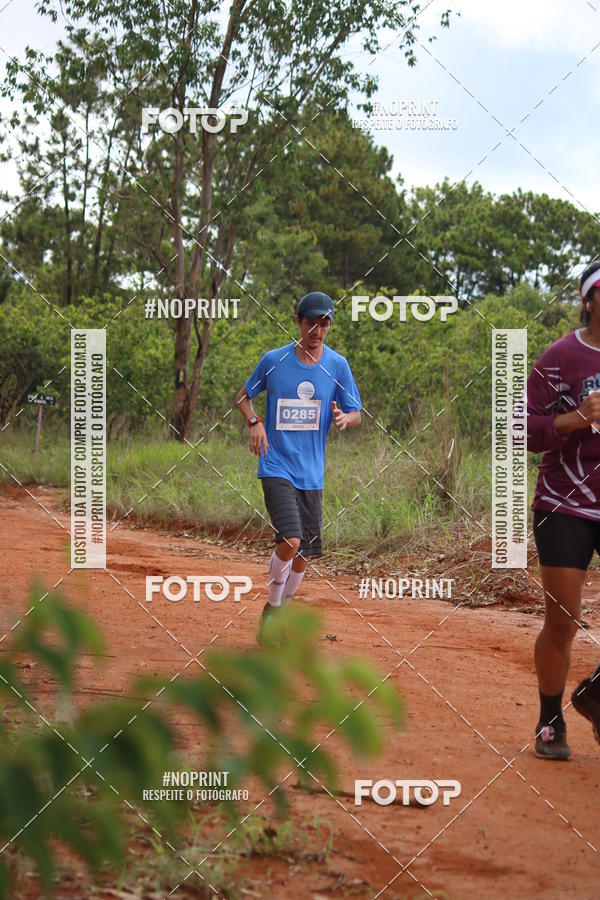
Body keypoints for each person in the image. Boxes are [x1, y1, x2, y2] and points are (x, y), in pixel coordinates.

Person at [234, 291, 361, 646]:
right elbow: (242, 397)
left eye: (324, 324)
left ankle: (280, 615)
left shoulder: (337, 365)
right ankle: (272, 610)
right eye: (311, 323)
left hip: (311, 473)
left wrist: (344, 418)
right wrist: (254, 421)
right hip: (275, 464)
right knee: (290, 540)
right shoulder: (274, 360)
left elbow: (356, 412)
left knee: (304, 555)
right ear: (298, 323)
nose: (317, 331)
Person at [527, 259, 600, 759]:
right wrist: (573, 419)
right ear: (588, 300)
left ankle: (596, 695)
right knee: (563, 621)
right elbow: (523, 429)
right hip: (565, 504)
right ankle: (549, 720)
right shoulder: (559, 357)